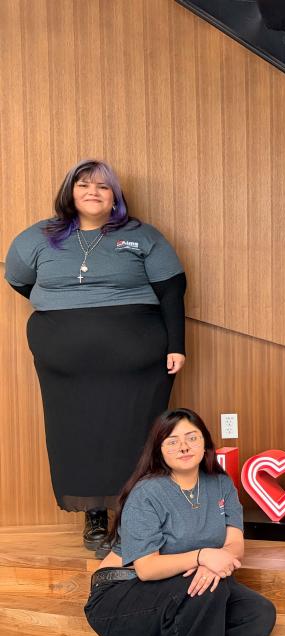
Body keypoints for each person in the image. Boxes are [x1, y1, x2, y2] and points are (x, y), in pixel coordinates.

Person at [4, 159, 187, 554]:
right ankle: (95, 516)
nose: (93, 192)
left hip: (137, 363)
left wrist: (177, 346)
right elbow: (18, 279)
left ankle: (134, 515)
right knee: (76, 434)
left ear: (115, 197)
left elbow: (173, 289)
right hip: (66, 367)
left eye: (103, 187)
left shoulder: (141, 235)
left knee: (136, 435)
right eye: (84, 184)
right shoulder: (37, 237)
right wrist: (65, 308)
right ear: (70, 192)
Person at [85, 408, 276, 636]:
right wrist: (202, 556)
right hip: (121, 596)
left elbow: (235, 544)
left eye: (192, 438)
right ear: (159, 450)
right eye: (172, 441)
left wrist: (210, 564)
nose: (184, 447)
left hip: (183, 589)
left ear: (205, 442)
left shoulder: (221, 484)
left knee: (257, 613)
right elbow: (146, 569)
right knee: (204, 591)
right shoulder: (147, 492)